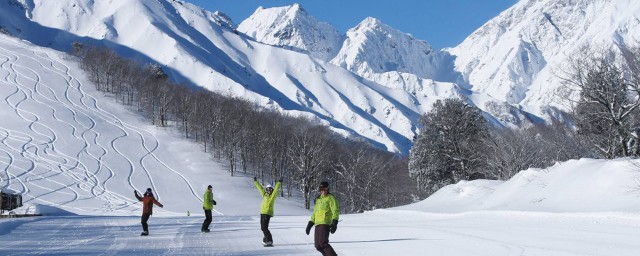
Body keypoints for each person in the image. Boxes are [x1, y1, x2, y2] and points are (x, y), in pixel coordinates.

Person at [305, 181, 339, 256]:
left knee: (323, 243)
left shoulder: (330, 198)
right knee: (318, 246)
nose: (323, 191)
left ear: (328, 189)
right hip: (317, 224)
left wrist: (334, 222)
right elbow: (315, 213)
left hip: (325, 223)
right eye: (321, 189)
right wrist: (310, 224)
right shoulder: (318, 199)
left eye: (325, 189)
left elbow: (335, 211)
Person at [254, 177, 282, 246]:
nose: (269, 190)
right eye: (268, 189)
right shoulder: (264, 195)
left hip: (267, 213)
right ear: (266, 190)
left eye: (270, 189)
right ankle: (266, 238)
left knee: (264, 228)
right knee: (263, 228)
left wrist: (279, 182)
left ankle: (269, 240)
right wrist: (256, 182)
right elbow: (260, 188)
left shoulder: (272, 196)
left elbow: (276, 190)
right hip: (262, 213)